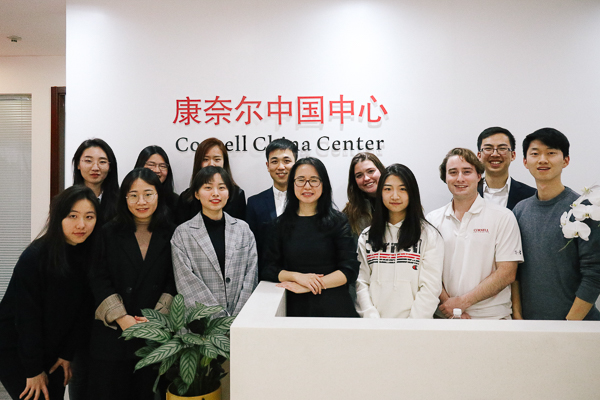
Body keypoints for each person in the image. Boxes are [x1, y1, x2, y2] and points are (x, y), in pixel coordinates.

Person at [0, 186, 99, 400]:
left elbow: (81, 311)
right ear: (57, 217)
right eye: (73, 216)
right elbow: (26, 318)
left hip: (52, 349)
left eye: (89, 216)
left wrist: (66, 353)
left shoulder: (87, 255)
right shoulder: (35, 257)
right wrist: (33, 370)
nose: (81, 224)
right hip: (15, 348)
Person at [88, 168, 176, 400]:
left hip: (153, 335)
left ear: (159, 195)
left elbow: (173, 280)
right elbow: (98, 278)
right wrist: (121, 317)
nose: (141, 202)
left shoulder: (172, 233)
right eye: (133, 195)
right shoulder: (108, 232)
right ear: (124, 198)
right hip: (113, 334)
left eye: (148, 194)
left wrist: (157, 318)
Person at [513, 128, 600, 320]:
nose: (542, 159)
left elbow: (594, 274)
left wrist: (569, 325)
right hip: (530, 326)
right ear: (525, 162)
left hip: (577, 326)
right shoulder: (519, 210)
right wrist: (517, 318)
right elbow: (515, 272)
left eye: (551, 153)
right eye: (535, 153)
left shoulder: (584, 209)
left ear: (566, 160)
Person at [426, 148, 523, 319]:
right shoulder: (432, 219)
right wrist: (451, 307)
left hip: (492, 318)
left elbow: (507, 272)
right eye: (453, 172)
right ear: (445, 178)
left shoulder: (503, 217)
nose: (460, 178)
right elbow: (427, 269)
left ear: (479, 176)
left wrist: (463, 303)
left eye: (467, 172)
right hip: (444, 317)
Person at [262, 157, 360, 317]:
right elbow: (268, 269)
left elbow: (349, 269)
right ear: (292, 184)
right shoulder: (278, 225)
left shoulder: (338, 221)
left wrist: (310, 285)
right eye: (300, 180)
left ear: (324, 184)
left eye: (314, 180)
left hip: (335, 306)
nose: (307, 186)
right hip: (294, 307)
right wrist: (297, 277)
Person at [355, 164, 444, 318]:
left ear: (412, 193)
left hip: (415, 328)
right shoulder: (367, 236)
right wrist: (371, 318)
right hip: (374, 326)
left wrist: (411, 324)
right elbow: (361, 283)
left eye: (403, 189)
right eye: (388, 189)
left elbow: (431, 287)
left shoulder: (429, 235)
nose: (395, 196)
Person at [171, 166, 258, 315]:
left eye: (222, 187)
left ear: (229, 193)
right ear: (197, 194)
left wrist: (237, 319)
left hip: (240, 321)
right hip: (201, 327)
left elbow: (251, 277)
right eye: (208, 187)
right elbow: (186, 284)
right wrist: (219, 321)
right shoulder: (182, 234)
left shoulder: (243, 230)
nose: (215, 193)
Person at [246, 138, 298, 276]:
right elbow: (251, 248)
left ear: (296, 164)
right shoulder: (254, 203)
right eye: (275, 161)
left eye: (287, 161)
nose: (281, 167)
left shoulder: (307, 199)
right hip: (267, 278)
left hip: (303, 278)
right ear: (267, 165)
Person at [176, 138, 246, 224]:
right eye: (205, 159)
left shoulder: (237, 195)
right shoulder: (186, 197)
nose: (211, 164)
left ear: (224, 162)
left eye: (217, 159)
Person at [476, 127, 536, 210]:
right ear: (479, 155)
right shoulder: (467, 192)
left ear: (513, 155)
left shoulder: (531, 195)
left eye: (502, 148)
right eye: (488, 148)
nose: (495, 154)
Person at [72, 138, 119, 225]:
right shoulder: (67, 200)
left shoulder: (121, 202)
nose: (95, 168)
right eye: (88, 161)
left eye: (102, 162)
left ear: (110, 167)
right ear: (78, 164)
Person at [342, 152, 386, 237]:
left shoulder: (399, 202)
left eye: (370, 171)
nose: (366, 178)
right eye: (359, 175)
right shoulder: (349, 214)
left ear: (381, 170)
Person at [134, 145, 179, 217]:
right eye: (151, 165)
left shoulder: (175, 201)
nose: (157, 170)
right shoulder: (128, 196)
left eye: (162, 166)